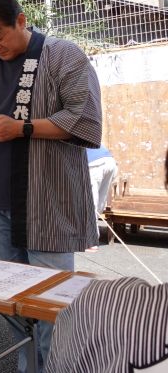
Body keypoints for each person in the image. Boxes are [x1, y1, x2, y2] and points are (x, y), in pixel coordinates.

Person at [0, 0, 102, 371]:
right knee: (10, 298)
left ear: (21, 20)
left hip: (47, 202)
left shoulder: (63, 55)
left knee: (54, 302)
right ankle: (29, 365)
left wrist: (23, 128)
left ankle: (59, 366)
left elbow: (84, 117)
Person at [44, 147, 168, 373]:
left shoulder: (96, 304)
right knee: (98, 202)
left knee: (90, 201)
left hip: (94, 164)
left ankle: (91, 237)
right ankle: (94, 232)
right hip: (109, 161)